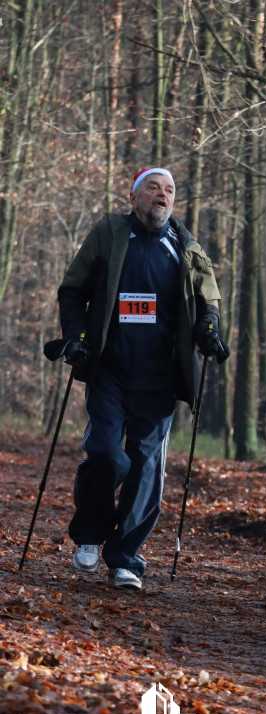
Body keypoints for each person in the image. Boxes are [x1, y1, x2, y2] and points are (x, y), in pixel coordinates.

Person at [45, 166, 228, 590]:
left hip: (160, 378)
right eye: (153, 188)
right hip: (109, 370)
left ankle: (126, 557)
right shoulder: (109, 234)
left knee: (147, 468)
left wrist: (209, 333)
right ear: (134, 197)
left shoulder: (185, 247)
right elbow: (72, 290)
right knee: (108, 453)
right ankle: (90, 535)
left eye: (169, 190)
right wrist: (76, 338)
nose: (162, 195)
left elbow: (209, 303)